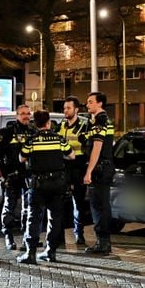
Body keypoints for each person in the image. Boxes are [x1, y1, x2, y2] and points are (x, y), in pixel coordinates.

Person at [18, 110, 74, 264]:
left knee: (34, 218)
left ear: (35, 124)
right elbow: (72, 155)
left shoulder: (31, 140)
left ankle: (30, 253)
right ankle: (51, 251)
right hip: (57, 184)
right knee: (55, 218)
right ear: (49, 122)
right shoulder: (58, 139)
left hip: (38, 184)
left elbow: (22, 158)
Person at [0, 104, 35, 250]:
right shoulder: (7, 132)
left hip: (28, 175)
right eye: (23, 113)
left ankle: (27, 238)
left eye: (28, 113)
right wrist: (5, 176)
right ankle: (8, 236)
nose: (26, 116)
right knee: (9, 208)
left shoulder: (33, 131)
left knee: (28, 208)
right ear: (16, 115)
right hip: (12, 176)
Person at [83, 92, 115, 255]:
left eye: (90, 102)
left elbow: (97, 147)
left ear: (100, 103)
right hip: (103, 167)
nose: (87, 104)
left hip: (100, 168)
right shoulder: (97, 121)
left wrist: (89, 171)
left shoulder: (101, 120)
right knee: (100, 205)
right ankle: (103, 242)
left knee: (99, 206)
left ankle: (103, 243)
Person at [57, 96, 89, 246]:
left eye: (68, 108)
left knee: (78, 202)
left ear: (76, 109)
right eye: (64, 108)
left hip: (78, 167)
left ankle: (79, 234)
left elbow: (88, 148)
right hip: (63, 167)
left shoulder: (84, 125)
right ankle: (60, 236)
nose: (65, 111)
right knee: (61, 203)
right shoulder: (62, 125)